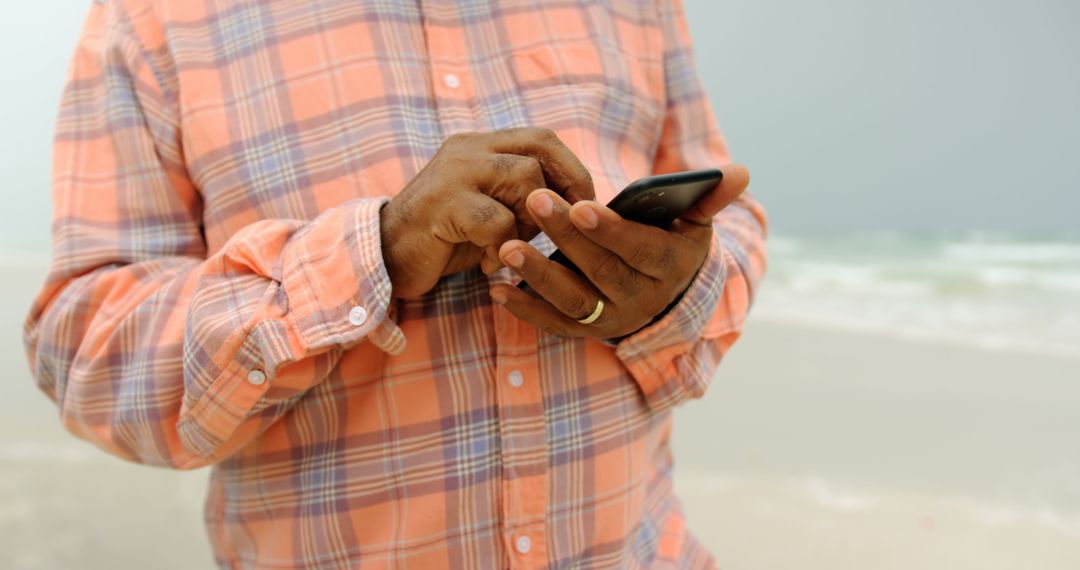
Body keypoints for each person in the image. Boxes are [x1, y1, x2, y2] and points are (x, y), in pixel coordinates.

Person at [24, 0, 766, 567]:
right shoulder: (156, 19)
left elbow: (727, 226)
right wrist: (369, 255)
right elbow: (84, 352)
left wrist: (669, 293)